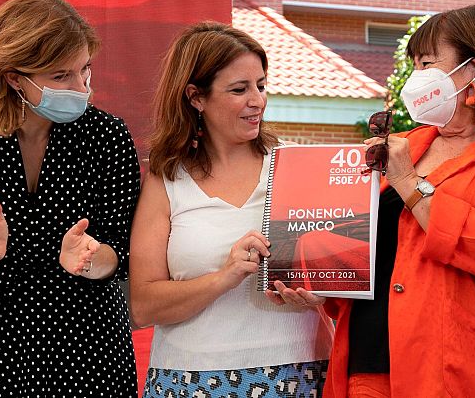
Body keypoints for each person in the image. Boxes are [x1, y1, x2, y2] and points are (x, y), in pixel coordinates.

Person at [313, 5, 475, 397]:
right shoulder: (403, 145)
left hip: (459, 374)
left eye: (426, 64)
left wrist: (409, 183)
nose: (416, 79)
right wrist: (314, 278)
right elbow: (363, 253)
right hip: (369, 363)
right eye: (414, 66)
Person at [0, 0, 140, 397]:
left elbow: (122, 253)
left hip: (91, 348)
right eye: (60, 76)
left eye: (84, 69)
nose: (80, 87)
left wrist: (89, 260)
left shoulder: (107, 136)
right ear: (14, 77)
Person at [129, 21, 334, 398]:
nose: (257, 100)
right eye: (239, 89)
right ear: (196, 97)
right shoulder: (167, 180)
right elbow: (142, 306)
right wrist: (224, 276)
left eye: (261, 84)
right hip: (188, 380)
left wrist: (325, 293)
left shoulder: (298, 166)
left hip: (301, 370)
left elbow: (343, 273)